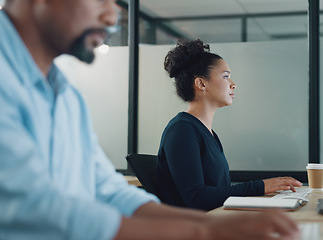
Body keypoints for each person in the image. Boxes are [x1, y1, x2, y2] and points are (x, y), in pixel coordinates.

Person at [0, 0, 301, 239]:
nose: (112, 16)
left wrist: (214, 228)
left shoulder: (66, 96)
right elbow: (34, 210)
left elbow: (108, 190)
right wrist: (205, 230)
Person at [157, 39, 303, 211]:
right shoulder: (182, 130)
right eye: (225, 76)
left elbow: (219, 192)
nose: (233, 84)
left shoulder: (208, 133)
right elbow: (196, 198)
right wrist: (260, 186)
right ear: (201, 83)